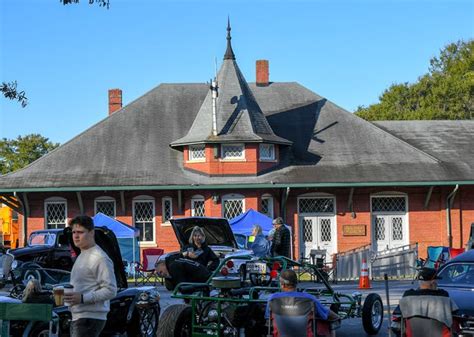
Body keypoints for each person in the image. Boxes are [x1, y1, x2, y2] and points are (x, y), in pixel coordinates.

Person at [63, 215, 117, 337]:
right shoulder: (83, 254)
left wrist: (82, 298)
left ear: (91, 233)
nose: (76, 236)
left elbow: (111, 290)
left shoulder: (99, 258)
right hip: (79, 316)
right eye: (74, 232)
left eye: (80, 232)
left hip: (90, 318)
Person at [265, 269, 339, 337]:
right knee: (330, 322)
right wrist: (337, 318)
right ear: (296, 283)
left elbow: (268, 320)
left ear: (282, 284)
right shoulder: (309, 298)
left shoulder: (272, 299)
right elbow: (326, 314)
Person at [400, 267, 459, 334]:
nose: (437, 283)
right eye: (436, 281)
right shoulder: (443, 295)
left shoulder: (408, 295)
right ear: (433, 282)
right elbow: (454, 313)